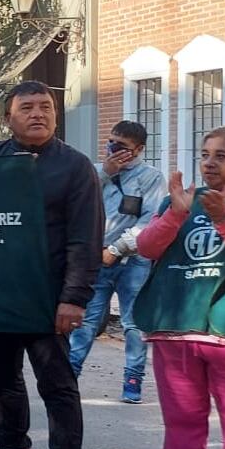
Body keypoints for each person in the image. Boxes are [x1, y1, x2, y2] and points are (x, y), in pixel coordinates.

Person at [0, 81, 102, 449]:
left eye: (46, 107)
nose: (38, 114)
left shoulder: (75, 167)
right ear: (8, 117)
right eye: (27, 108)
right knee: (2, 381)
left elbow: (86, 238)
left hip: (48, 298)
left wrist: (74, 298)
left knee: (57, 387)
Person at [132, 126, 225, 449]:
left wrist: (224, 219)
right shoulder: (180, 200)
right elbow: (147, 247)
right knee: (181, 426)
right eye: (205, 153)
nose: (209, 162)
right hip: (175, 331)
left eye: (222, 155)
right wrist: (175, 214)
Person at [66, 121, 165, 403]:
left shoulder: (151, 178)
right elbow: (77, 199)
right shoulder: (96, 172)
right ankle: (69, 375)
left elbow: (149, 222)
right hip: (96, 259)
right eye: (111, 142)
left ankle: (133, 380)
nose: (114, 149)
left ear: (139, 150)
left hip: (133, 261)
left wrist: (117, 249)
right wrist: (107, 172)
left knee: (133, 324)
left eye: (121, 146)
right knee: (85, 321)